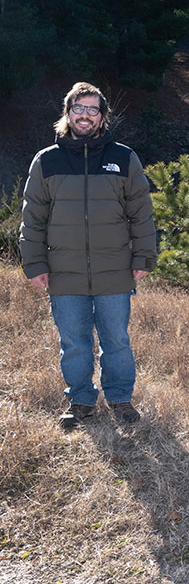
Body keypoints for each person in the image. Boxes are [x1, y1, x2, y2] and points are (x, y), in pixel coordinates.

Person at [20, 82, 158, 429]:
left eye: (92, 109)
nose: (85, 115)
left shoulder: (123, 157)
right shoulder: (46, 160)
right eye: (78, 108)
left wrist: (143, 256)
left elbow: (141, 212)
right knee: (74, 343)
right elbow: (32, 217)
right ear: (67, 113)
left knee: (116, 339)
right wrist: (35, 264)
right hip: (63, 271)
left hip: (114, 268)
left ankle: (120, 399)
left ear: (102, 117)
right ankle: (81, 401)